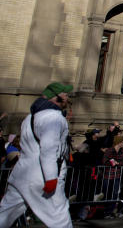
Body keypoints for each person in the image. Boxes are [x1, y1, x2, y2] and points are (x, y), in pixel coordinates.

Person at [0, 82, 73, 228]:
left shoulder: (30, 117)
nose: (68, 99)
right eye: (66, 95)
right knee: (60, 219)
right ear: (56, 97)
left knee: (4, 214)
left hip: (22, 174)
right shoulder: (53, 118)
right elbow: (48, 149)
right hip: (42, 178)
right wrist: (51, 178)